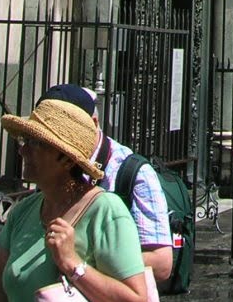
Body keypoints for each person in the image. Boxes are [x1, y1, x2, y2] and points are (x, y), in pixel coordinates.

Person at [0, 98, 147, 302]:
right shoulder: (23, 213)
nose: (22, 150)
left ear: (66, 158)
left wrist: (73, 265)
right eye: (24, 141)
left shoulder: (106, 212)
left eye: (34, 143)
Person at [36, 82, 174, 284]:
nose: (57, 141)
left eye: (65, 130)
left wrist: (77, 262)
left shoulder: (133, 174)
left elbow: (161, 264)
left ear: (93, 123)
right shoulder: (48, 165)